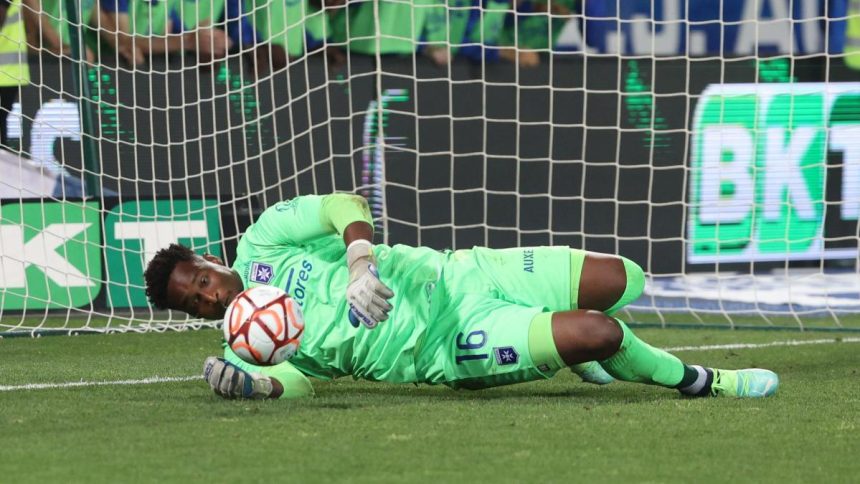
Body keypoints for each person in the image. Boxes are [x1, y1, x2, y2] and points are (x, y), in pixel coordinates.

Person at [144, 192, 779, 400]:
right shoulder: (245, 345)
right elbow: (301, 380)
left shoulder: (261, 245)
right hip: (445, 346)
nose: (210, 296)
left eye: (202, 281)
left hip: (462, 274)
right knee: (601, 332)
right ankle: (704, 381)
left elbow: (343, 204)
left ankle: (558, 339)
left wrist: (361, 260)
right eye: (195, 303)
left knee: (624, 279)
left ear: (209, 259)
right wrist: (260, 387)